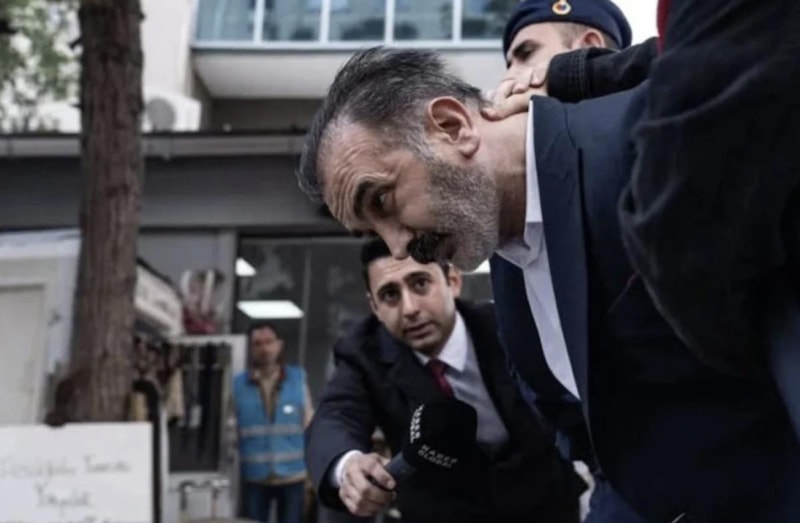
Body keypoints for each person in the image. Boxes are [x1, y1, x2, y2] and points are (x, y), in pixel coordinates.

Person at [295, 45, 800, 521]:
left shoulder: (647, 139)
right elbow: (596, 435)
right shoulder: (505, 261)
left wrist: (588, 73)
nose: (399, 247)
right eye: (372, 232)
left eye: (383, 201)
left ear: (451, 126)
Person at [306, 238, 584, 523]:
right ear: (374, 307)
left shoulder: (506, 326)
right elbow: (335, 416)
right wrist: (348, 465)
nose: (410, 308)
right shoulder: (363, 355)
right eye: (390, 294)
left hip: (546, 503)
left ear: (453, 281)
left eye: (420, 283)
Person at [233, 323, 314, 523]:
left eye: (269, 342)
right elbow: (231, 431)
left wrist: (312, 475)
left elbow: (310, 426)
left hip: (293, 475)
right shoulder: (238, 385)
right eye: (258, 343)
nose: (264, 348)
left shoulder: (297, 379)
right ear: (251, 348)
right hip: (255, 476)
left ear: (279, 345)